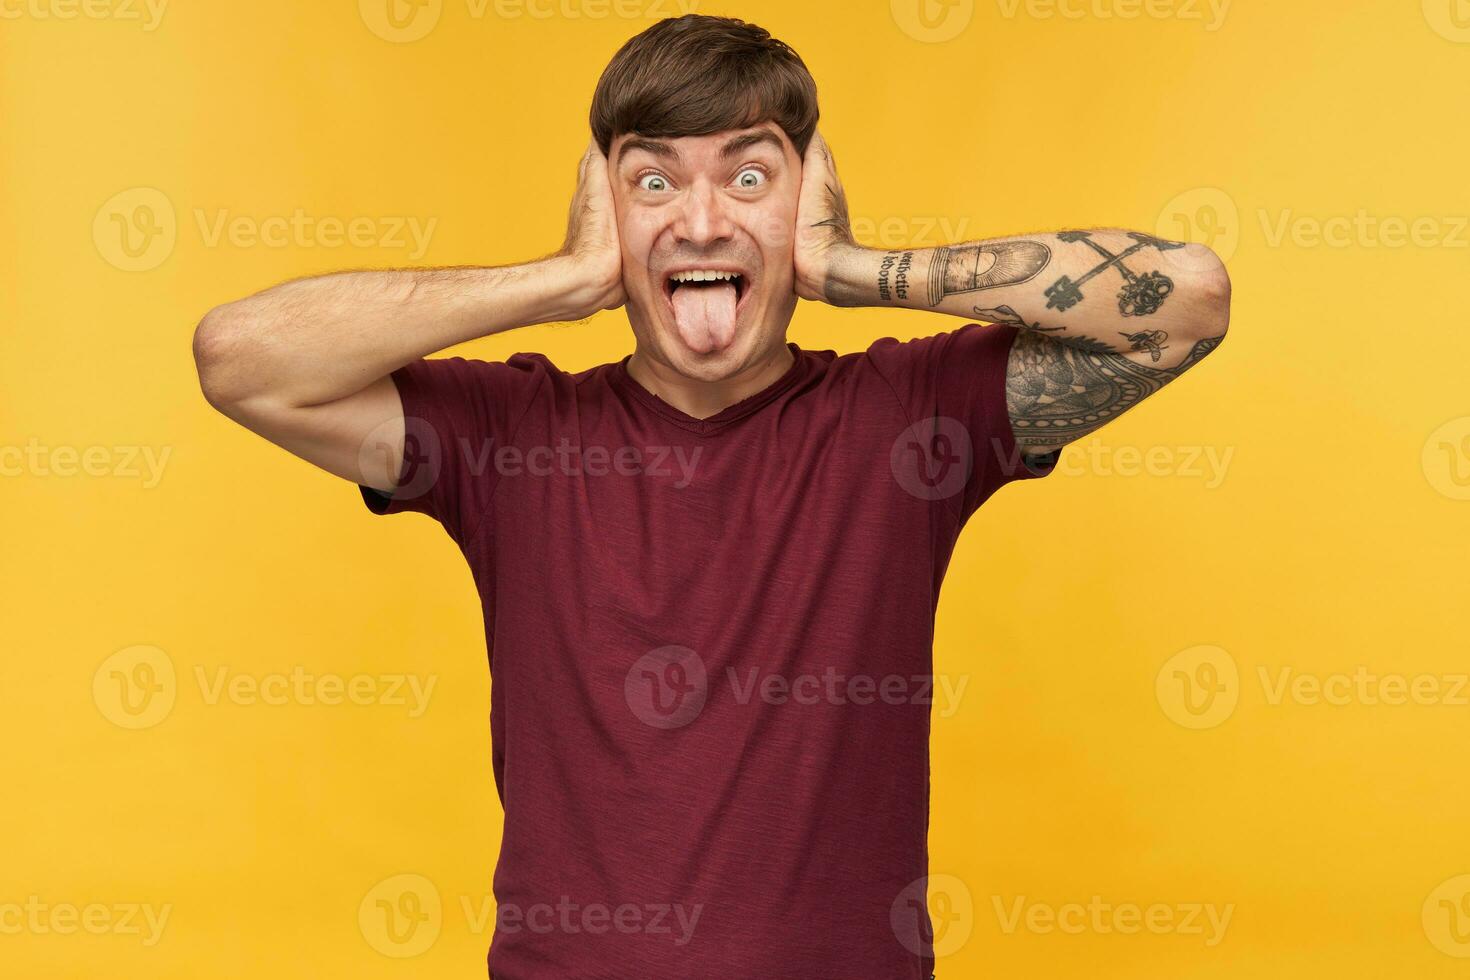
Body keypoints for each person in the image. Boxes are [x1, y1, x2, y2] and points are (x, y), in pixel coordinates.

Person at [192, 14, 1230, 979]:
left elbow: (1185, 300)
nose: (699, 220)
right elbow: (241, 359)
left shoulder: (912, 418)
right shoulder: (507, 437)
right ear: (607, 210)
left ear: (805, 198)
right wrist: (562, 281)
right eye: (653, 184)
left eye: (748, 176)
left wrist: (853, 267)